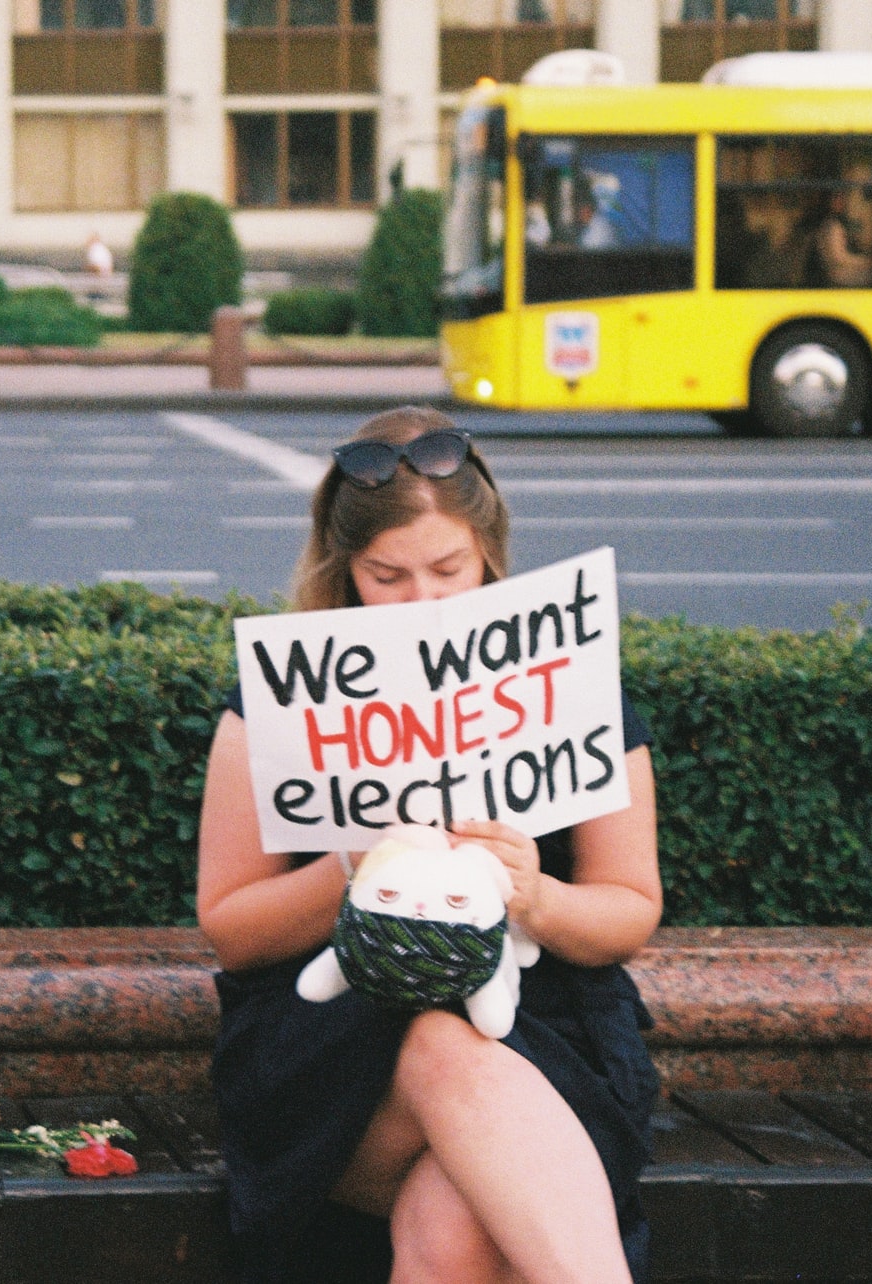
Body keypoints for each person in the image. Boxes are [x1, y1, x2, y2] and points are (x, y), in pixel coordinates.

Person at [198, 406, 662, 1284]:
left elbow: (629, 908)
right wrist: (352, 864)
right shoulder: (273, 702)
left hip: (544, 1031)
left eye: (449, 568)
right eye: (388, 576)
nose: (424, 600)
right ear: (345, 572)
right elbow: (231, 929)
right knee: (441, 1048)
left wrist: (535, 896)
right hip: (332, 1049)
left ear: (489, 549)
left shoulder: (574, 682)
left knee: (454, 1232)